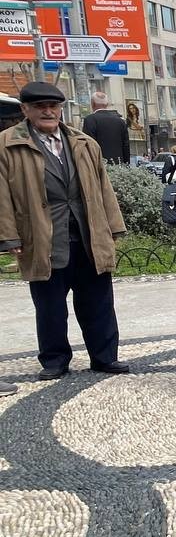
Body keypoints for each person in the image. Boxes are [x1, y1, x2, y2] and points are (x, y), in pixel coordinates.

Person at [0, 81, 129, 379]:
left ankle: (104, 356)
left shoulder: (84, 142)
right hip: (42, 236)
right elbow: (2, 197)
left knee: (98, 301)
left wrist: (113, 227)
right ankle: (55, 360)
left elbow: (103, 188)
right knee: (50, 307)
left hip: (87, 235)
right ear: (25, 110)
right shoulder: (7, 144)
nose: (47, 111)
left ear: (60, 109)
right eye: (39, 106)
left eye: (53, 106)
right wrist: (8, 237)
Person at [81, 91, 130, 165]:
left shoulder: (90, 120)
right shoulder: (120, 121)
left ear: (92, 104)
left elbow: (89, 146)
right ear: (107, 104)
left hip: (100, 167)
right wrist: (127, 165)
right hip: (119, 168)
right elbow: (126, 146)